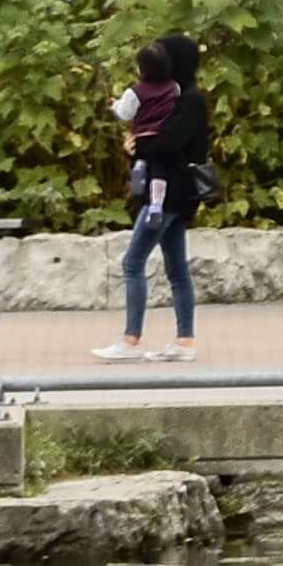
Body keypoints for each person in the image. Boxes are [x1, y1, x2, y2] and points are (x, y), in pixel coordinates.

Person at [99, 33, 212, 358]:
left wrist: (137, 145)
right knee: (177, 268)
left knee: (132, 261)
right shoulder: (175, 95)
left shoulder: (189, 100)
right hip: (176, 193)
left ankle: (132, 339)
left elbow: (169, 142)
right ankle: (184, 341)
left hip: (171, 193)